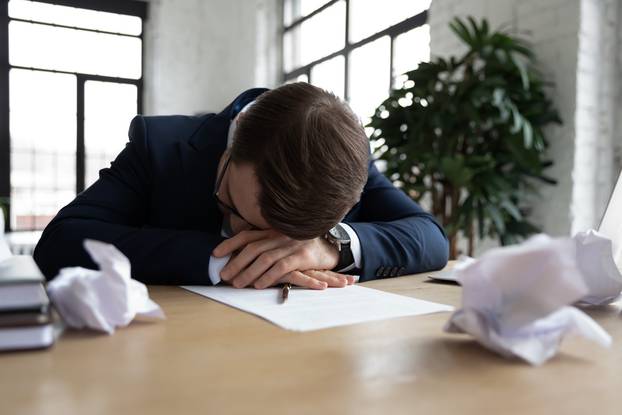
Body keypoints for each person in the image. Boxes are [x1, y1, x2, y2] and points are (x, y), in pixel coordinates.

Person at [34, 83, 448, 289]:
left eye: (279, 236)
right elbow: (61, 242)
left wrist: (330, 246)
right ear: (231, 140)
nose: (244, 234)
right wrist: (225, 262)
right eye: (232, 204)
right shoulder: (160, 146)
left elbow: (430, 238)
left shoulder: (342, 159)